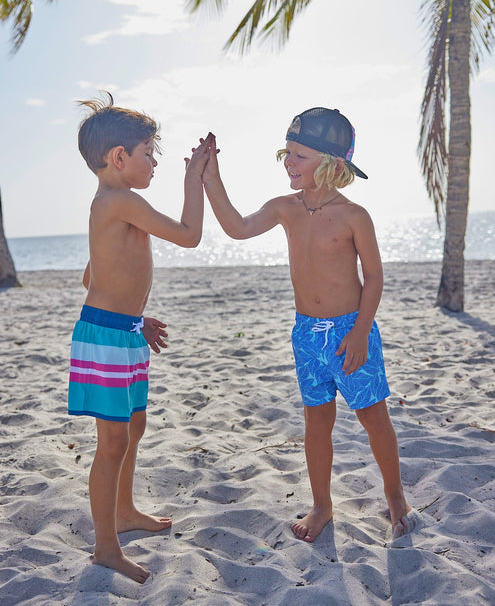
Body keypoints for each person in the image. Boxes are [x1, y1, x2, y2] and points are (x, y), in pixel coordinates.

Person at [202, 107, 414, 543]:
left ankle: (395, 496)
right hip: (306, 334)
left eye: (299, 155)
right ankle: (322, 505)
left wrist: (359, 333)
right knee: (316, 423)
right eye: (287, 153)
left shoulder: (355, 216)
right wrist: (210, 177)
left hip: (351, 332)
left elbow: (374, 277)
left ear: (332, 164)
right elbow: (237, 227)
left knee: (374, 417)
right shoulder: (285, 208)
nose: (288, 163)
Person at [68, 92, 212, 582]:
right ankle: (106, 548)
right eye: (150, 154)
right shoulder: (122, 200)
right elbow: (190, 235)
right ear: (119, 158)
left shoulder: (109, 206)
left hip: (120, 332)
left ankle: (125, 513)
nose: (155, 164)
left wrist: (136, 318)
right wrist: (196, 180)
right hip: (105, 339)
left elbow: (93, 278)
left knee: (134, 427)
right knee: (111, 441)